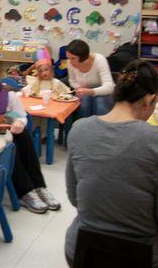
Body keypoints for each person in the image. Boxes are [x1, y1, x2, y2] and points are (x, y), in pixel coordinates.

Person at [65, 60, 158, 266]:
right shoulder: (153, 139)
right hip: (141, 254)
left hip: (82, 249)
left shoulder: (79, 129)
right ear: (149, 99)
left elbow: (75, 197)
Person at [0, 65, 61, 213]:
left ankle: (39, 186)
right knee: (8, 144)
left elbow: (21, 116)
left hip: (3, 132)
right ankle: (25, 191)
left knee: (22, 134)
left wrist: (19, 122)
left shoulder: (7, 96)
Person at [66, 39, 114, 117]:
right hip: (83, 92)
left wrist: (91, 91)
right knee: (84, 103)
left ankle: (103, 128)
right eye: (68, 58)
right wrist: (79, 87)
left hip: (102, 92)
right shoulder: (70, 63)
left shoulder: (99, 60)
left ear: (83, 57)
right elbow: (72, 81)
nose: (70, 62)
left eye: (73, 58)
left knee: (100, 103)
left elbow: (109, 87)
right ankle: (83, 127)